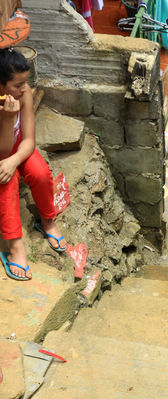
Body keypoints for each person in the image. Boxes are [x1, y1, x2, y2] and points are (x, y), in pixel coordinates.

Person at [0, 48, 65, 281]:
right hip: (1, 150)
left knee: (40, 173)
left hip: (16, 148)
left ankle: (48, 220)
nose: (23, 89)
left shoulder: (24, 94)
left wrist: (16, 160)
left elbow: (28, 140)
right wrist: (7, 120)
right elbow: (3, 151)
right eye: (17, 85)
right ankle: (14, 245)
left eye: (25, 83)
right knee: (6, 184)